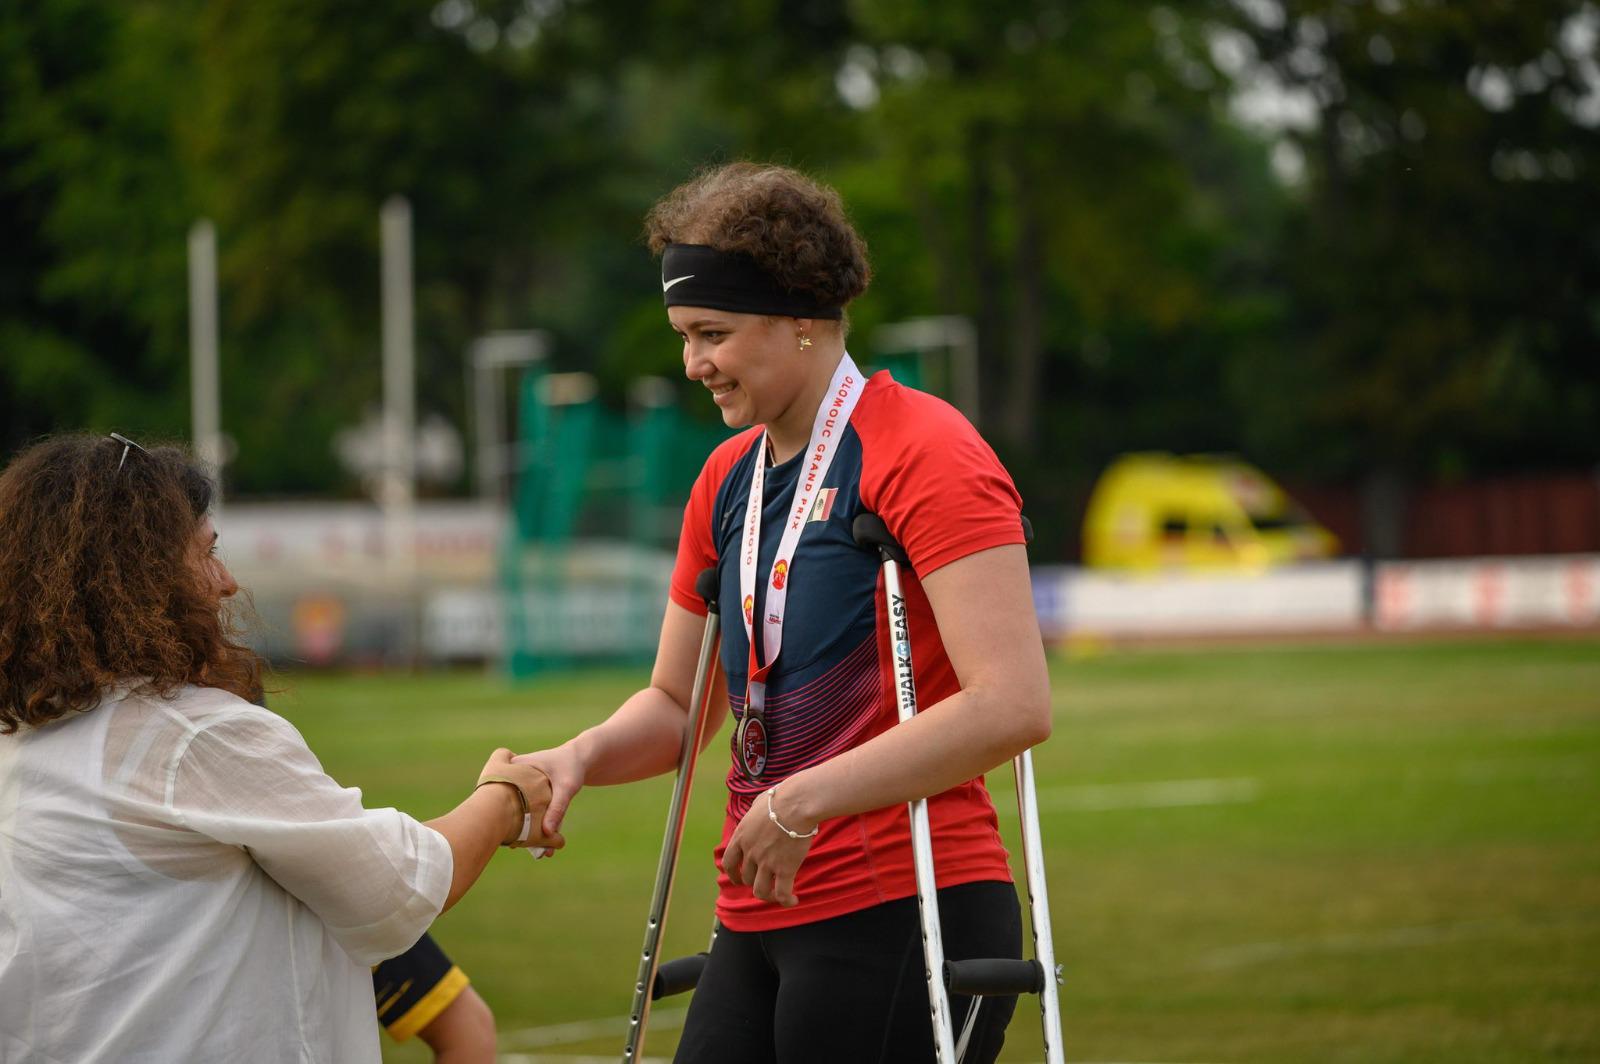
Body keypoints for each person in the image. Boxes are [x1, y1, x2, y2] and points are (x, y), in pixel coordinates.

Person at [515, 163, 1052, 1063]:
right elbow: (680, 709)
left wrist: (804, 799)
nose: (692, 364)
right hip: (760, 906)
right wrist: (578, 755)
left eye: (712, 333)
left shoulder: (927, 450)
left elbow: (1012, 704)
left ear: (802, 321)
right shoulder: (726, 480)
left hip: (907, 899)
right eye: (685, 336)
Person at [0, 433, 561, 1064]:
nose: (226, 582)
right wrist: (507, 797)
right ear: (138, 576)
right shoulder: (194, 737)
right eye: (206, 554)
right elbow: (392, 887)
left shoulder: (23, 739)